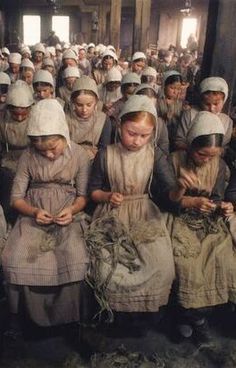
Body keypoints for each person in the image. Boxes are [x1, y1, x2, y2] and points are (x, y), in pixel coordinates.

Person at [86, 95, 176, 328]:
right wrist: (106, 196)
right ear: (119, 126)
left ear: (153, 133)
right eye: (131, 133)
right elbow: (93, 191)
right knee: (108, 265)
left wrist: (180, 191)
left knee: (161, 264)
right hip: (111, 215)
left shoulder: (154, 155)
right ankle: (114, 316)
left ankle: (145, 316)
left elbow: (168, 191)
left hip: (144, 214)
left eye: (144, 136)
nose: (137, 141)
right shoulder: (106, 154)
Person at [2, 99, 90, 332]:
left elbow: (83, 197)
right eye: (43, 150)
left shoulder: (79, 155)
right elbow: (16, 199)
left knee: (75, 257)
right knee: (15, 259)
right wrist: (33, 212)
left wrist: (71, 211)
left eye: (54, 147)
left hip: (67, 211)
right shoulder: (28, 156)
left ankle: (71, 320)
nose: (49, 155)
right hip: (34, 213)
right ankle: (24, 319)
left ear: (64, 135)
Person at [167, 111, 236, 343]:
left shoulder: (219, 165)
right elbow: (164, 200)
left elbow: (217, 197)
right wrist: (187, 199)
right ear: (190, 144)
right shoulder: (174, 160)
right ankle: (183, 315)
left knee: (222, 258)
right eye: (201, 154)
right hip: (178, 218)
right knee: (187, 263)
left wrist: (222, 206)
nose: (206, 160)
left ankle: (200, 316)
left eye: (212, 156)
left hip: (207, 221)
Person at [0, 82, 34, 223]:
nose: (19, 118)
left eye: (23, 114)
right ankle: (10, 218)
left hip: (32, 158)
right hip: (8, 160)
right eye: (15, 114)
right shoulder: (2, 119)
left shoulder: (36, 117)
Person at [175, 77, 233, 151]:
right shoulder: (190, 114)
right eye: (207, 104)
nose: (211, 108)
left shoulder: (227, 122)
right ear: (201, 101)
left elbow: (224, 147)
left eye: (216, 104)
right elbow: (179, 140)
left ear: (224, 101)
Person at [66, 76, 114, 161]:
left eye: (89, 105)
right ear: (73, 102)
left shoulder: (103, 120)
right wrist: (85, 152)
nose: (84, 110)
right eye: (79, 105)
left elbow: (103, 150)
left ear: (96, 102)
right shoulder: (66, 119)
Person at [157, 70, 187, 152]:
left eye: (178, 89)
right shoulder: (158, 102)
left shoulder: (180, 104)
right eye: (172, 88)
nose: (175, 91)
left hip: (175, 138)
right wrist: (164, 117)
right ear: (164, 86)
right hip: (161, 137)